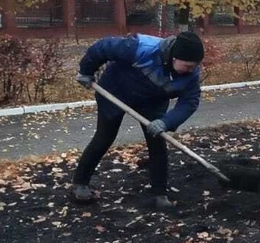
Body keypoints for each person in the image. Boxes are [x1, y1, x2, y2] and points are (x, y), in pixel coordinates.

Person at [71, 32, 205, 208]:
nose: (190, 70)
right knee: (104, 137)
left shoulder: (191, 75)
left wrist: (166, 122)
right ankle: (80, 183)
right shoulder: (141, 47)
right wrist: (86, 71)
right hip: (116, 91)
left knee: (158, 141)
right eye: (187, 65)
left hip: (152, 101)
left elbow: (189, 102)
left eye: (194, 66)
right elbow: (103, 47)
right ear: (174, 57)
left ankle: (160, 194)